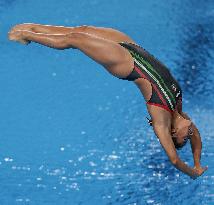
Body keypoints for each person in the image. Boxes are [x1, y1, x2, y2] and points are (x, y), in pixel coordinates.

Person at [8, 23, 208, 179]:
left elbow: (173, 159)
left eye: (185, 137)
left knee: (76, 39)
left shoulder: (161, 119)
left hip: (127, 64)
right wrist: (198, 163)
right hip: (135, 49)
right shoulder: (180, 113)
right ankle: (34, 27)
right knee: (83, 30)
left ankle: (27, 36)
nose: (191, 133)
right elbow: (196, 137)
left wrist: (190, 172)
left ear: (173, 133)